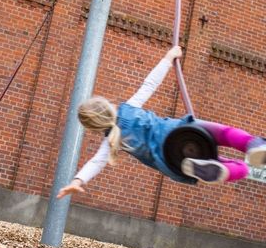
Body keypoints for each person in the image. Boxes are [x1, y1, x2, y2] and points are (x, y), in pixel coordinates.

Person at [57, 46, 266, 199]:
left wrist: (77, 181)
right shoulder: (129, 108)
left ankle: (231, 170)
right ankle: (253, 145)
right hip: (178, 134)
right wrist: (168, 57)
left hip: (172, 161)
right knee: (223, 134)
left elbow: (96, 162)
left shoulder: (113, 142)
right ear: (108, 105)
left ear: (94, 128)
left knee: (223, 164)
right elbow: (149, 85)